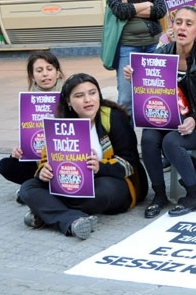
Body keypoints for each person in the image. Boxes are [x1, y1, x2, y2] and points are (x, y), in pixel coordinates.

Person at [19, 73, 148, 240]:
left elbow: (131, 164)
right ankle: (72, 221)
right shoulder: (61, 122)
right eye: (79, 96)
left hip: (114, 183)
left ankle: (45, 212)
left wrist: (99, 166)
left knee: (98, 193)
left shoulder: (113, 118)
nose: (88, 99)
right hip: (71, 185)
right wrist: (44, 170)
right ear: (68, 102)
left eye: (92, 93)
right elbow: (46, 159)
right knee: (28, 188)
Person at [127, 5, 196, 218]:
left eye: (189, 24)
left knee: (172, 141)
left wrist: (195, 119)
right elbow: (150, 87)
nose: (182, 27)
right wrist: (135, 76)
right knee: (149, 136)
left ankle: (194, 194)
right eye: (178, 22)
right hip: (170, 119)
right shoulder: (161, 54)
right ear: (171, 26)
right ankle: (160, 194)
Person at [106, 0, 167, 111]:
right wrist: (146, 4)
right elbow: (117, 9)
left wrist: (131, 6)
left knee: (157, 96)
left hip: (154, 44)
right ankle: (127, 139)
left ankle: (153, 137)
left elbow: (160, 10)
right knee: (126, 99)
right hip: (127, 46)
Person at [0, 52, 65, 190]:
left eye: (49, 69)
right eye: (39, 71)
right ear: (32, 77)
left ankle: (35, 188)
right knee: (6, 164)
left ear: (58, 73)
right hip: (38, 160)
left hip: (64, 157)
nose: (45, 74)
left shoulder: (70, 95)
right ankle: (39, 185)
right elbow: (29, 134)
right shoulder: (28, 102)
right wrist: (18, 151)